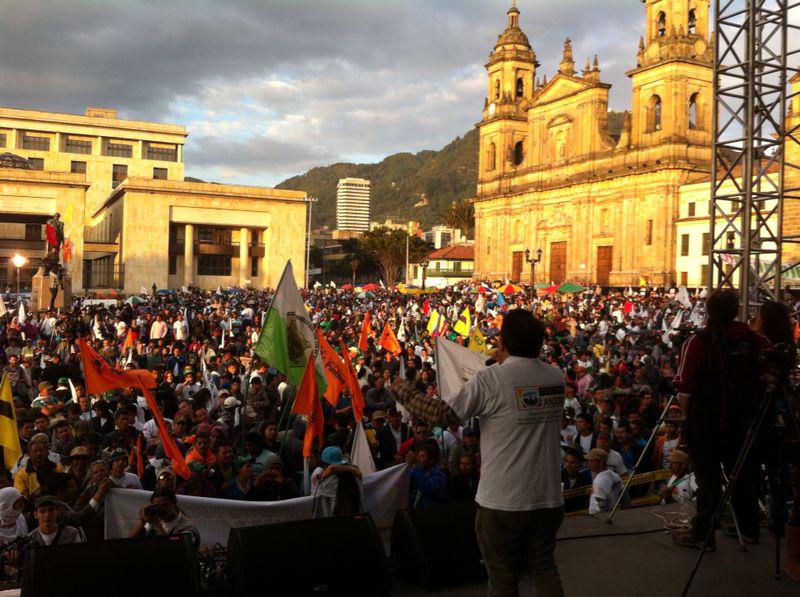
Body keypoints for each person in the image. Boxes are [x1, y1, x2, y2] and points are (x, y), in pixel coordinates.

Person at [395, 309, 566, 596]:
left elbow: (441, 413)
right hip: (547, 497)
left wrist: (403, 391)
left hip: (503, 501)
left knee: (502, 576)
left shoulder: (491, 379)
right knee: (544, 568)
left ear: (503, 342)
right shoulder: (555, 377)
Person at [674, 289, 766, 549]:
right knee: (743, 476)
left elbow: (685, 388)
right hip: (743, 422)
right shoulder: (753, 339)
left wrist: (686, 418)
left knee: (708, 480)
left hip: (706, 423)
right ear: (736, 310)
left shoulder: (699, 341)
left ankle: (703, 535)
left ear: (709, 310)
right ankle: (749, 530)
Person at [128, 487, 200, 547]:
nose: (160, 510)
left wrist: (157, 525)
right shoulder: (154, 522)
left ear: (174, 504)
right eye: (157, 506)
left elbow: (174, 554)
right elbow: (129, 542)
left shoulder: (187, 528)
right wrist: (142, 522)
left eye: (164, 505)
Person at [311, 446, 363, 518]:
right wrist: (350, 469)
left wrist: (331, 469)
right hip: (356, 517)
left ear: (324, 463)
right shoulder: (354, 474)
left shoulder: (322, 478)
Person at [586, 448, 622, 515]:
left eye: (591, 461)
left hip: (598, 517)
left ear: (601, 463)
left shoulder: (599, 481)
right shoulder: (614, 475)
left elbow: (601, 506)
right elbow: (623, 495)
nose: (588, 463)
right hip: (613, 513)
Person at [561, 448, 592, 513]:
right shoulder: (558, 477)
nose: (568, 465)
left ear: (579, 464)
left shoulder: (583, 480)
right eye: (566, 461)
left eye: (572, 462)